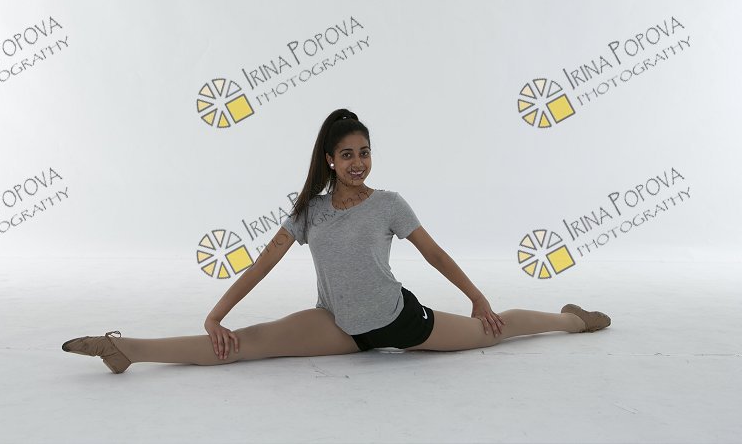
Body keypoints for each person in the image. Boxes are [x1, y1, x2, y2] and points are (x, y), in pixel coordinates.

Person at [62, 108, 610, 374]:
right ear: (329, 160)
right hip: (339, 325)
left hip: (399, 321)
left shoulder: (388, 203)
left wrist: (478, 297)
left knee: (496, 331)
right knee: (241, 344)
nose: (358, 162)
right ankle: (129, 349)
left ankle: (573, 320)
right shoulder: (310, 212)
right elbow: (262, 264)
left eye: (364, 152)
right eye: (347, 154)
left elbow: (433, 253)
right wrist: (214, 315)